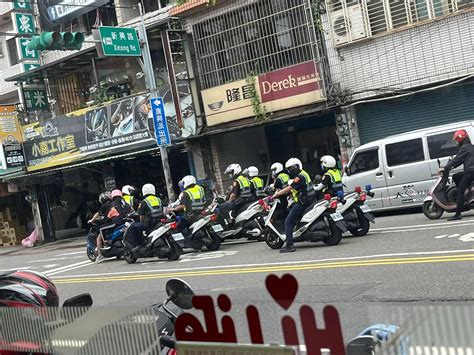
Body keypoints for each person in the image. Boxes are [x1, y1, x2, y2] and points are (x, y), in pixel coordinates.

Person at [272, 158, 313, 253]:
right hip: (308, 200)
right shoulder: (304, 174)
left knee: (288, 222)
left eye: (292, 168)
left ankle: (289, 245)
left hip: (302, 202)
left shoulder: (300, 177)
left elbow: (289, 187)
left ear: (298, 166)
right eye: (289, 169)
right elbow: (297, 188)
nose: (291, 170)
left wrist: (277, 194)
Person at [439, 129, 474, 221]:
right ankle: (468, 194)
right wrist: (451, 167)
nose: (456, 142)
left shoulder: (464, 148)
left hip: (470, 172)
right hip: (471, 171)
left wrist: (445, 168)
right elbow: (461, 160)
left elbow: (456, 159)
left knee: (460, 192)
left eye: (457, 140)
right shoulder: (471, 146)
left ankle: (458, 214)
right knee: (456, 176)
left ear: (461, 139)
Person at [96, 189, 131, 263]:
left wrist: (103, 222)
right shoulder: (125, 203)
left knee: (101, 229)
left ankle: (101, 252)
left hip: (116, 223)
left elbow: (108, 217)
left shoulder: (113, 205)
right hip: (126, 221)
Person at [126, 183, 163, 252]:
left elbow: (141, 216)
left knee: (133, 227)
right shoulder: (159, 199)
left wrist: (141, 223)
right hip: (160, 221)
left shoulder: (144, 202)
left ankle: (139, 244)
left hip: (150, 223)